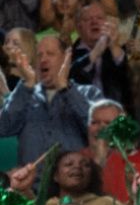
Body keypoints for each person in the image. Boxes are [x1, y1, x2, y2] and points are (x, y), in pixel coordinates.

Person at [0, 28, 104, 161]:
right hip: (34, 180)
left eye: (50, 54)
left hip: (75, 178)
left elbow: (98, 132)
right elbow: (3, 128)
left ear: (65, 58)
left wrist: (66, 90)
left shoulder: (90, 93)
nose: (43, 59)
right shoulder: (24, 95)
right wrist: (27, 84)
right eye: (39, 55)